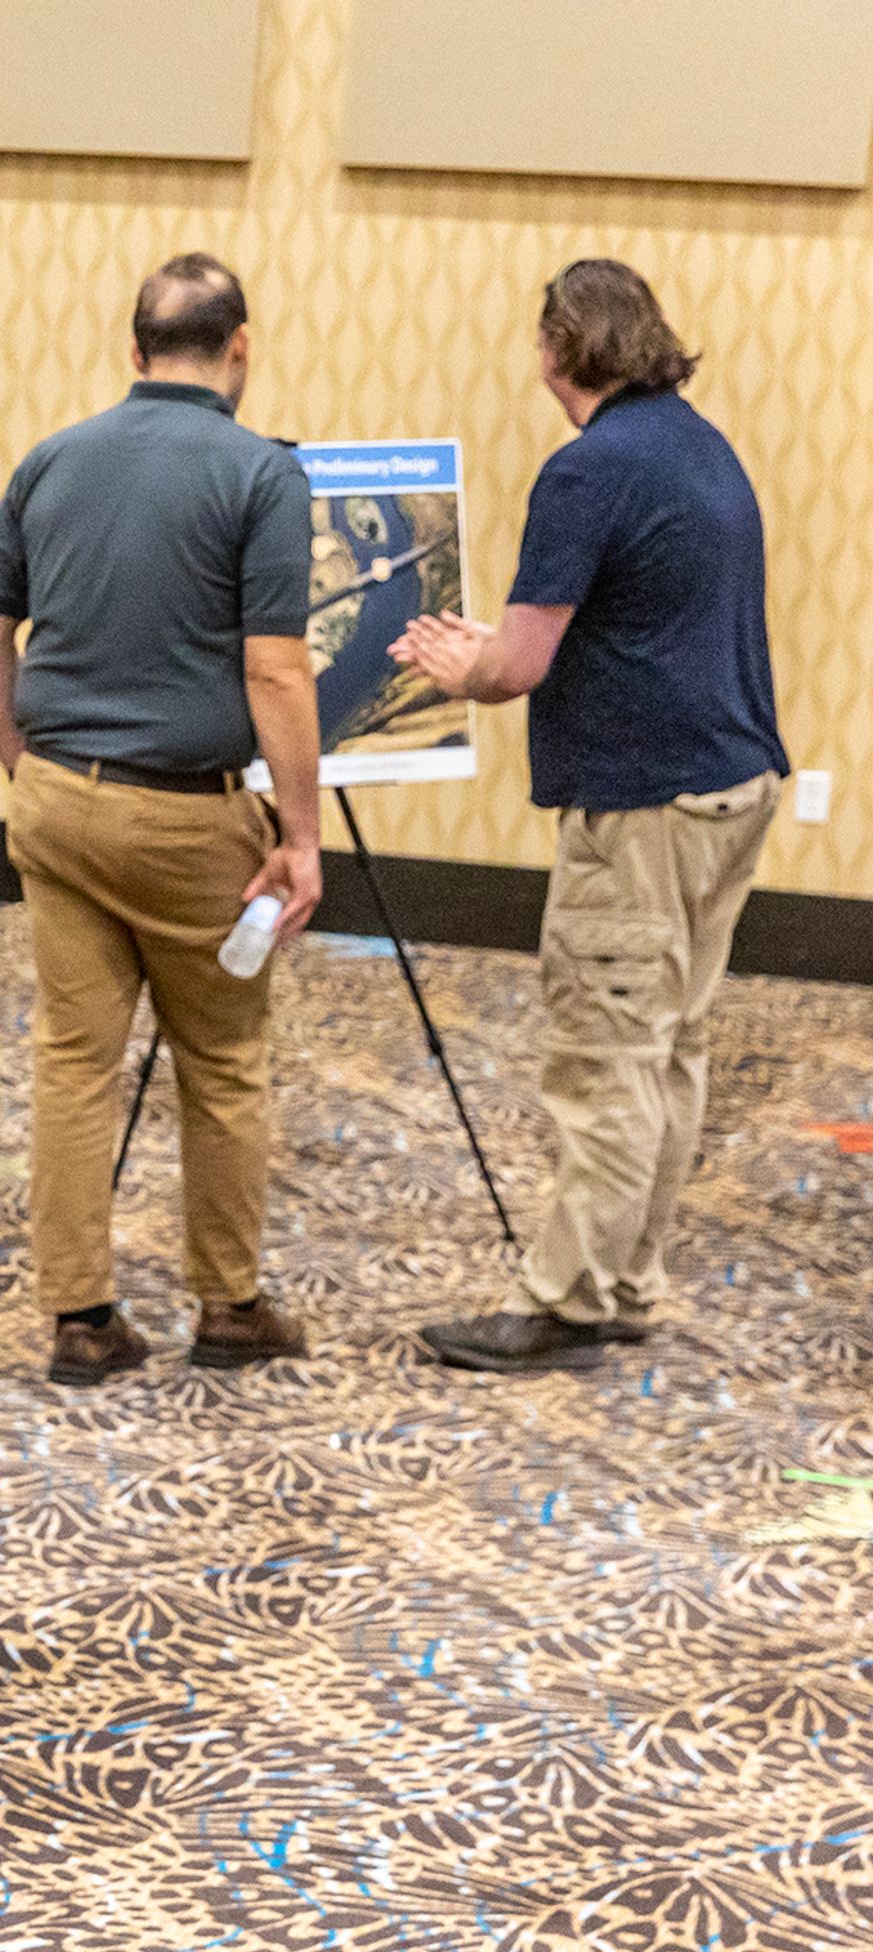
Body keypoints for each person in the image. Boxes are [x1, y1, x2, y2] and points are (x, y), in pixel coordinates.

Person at [393, 261, 788, 1374]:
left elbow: (516, 666)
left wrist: (455, 661)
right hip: (734, 786)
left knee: (606, 1054)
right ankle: (622, 1281)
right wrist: (498, 648)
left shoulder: (588, 470)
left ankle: (565, 1302)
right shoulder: (697, 444)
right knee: (670, 1049)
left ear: (559, 348)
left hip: (645, 806)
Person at [0, 252, 325, 1386]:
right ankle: (229, 1305)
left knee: (75, 1060)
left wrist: (28, 765)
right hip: (188, 820)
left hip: (56, 799)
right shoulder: (263, 476)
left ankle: (83, 1317)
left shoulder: (52, 459)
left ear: (133, 352)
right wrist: (300, 837)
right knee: (223, 1060)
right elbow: (274, 670)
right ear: (241, 347)